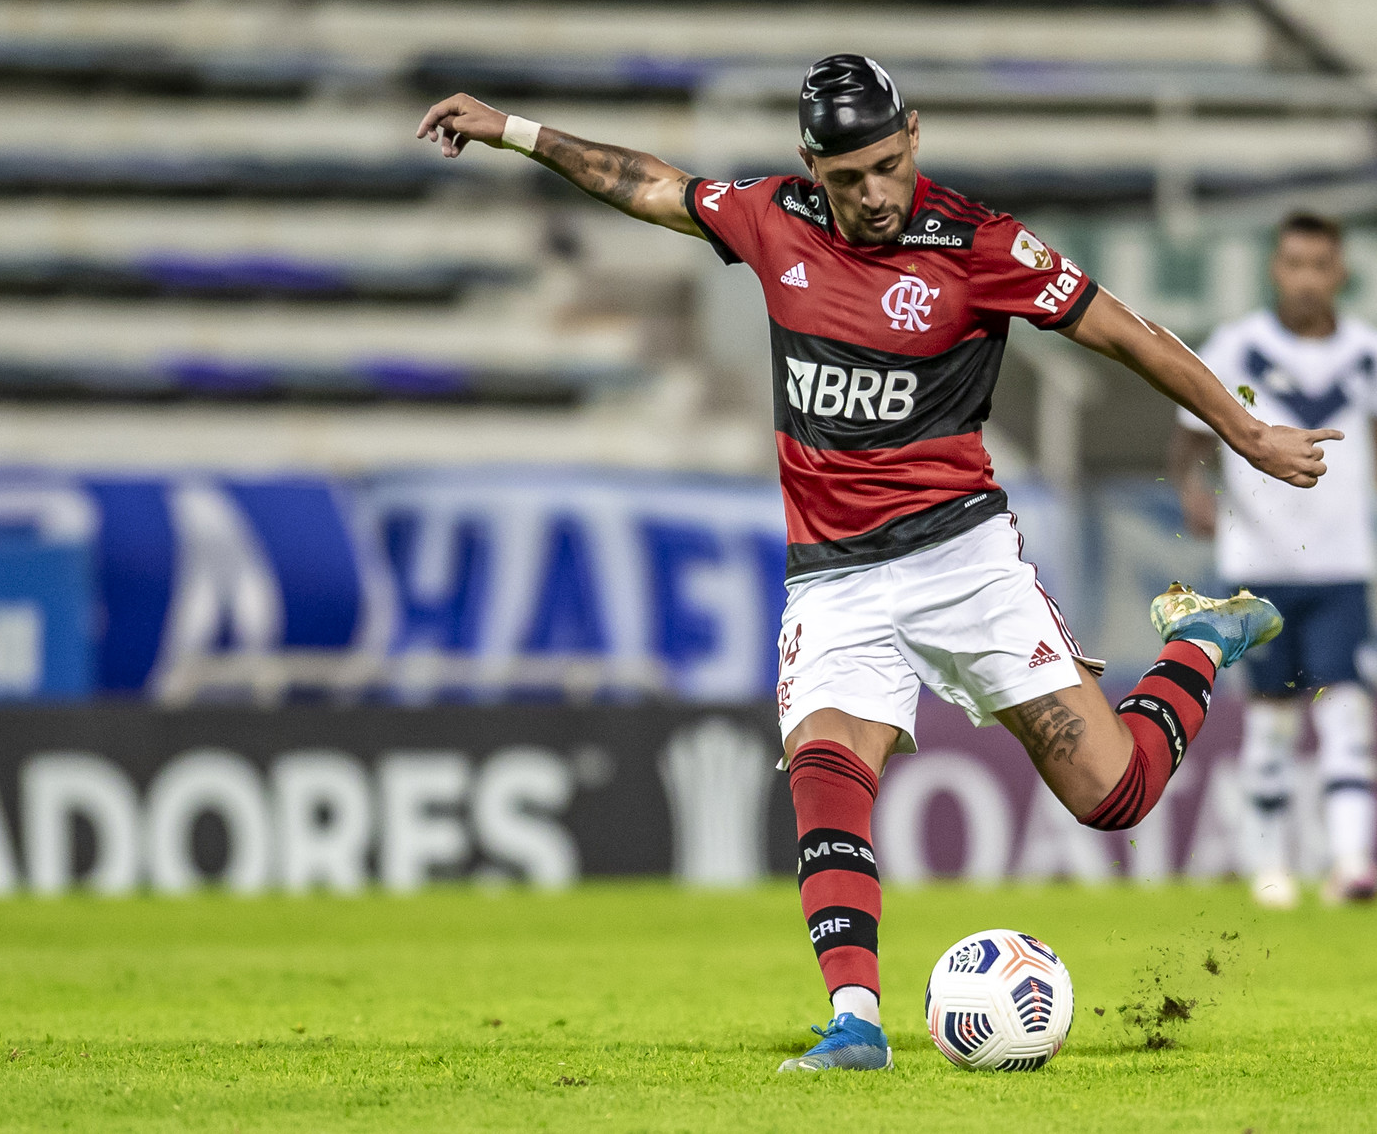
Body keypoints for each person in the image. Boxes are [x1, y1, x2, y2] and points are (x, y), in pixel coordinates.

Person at [416, 55, 1331, 1073]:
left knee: (1111, 798)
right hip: (836, 579)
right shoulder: (772, 219)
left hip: (963, 564)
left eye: (888, 166)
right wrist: (513, 131)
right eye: (848, 177)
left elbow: (1127, 334)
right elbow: (646, 183)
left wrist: (1242, 432)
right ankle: (855, 1021)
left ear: (914, 139)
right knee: (824, 769)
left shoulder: (980, 245)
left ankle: (1199, 639)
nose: (874, 194)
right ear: (813, 166)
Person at [1170, 211, 1377, 908]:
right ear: (1274, 268)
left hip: (1341, 564)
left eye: (1320, 264)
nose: (1307, 279)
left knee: (1346, 712)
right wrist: (1193, 487)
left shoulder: (1365, 352)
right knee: (1270, 716)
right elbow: (1189, 433)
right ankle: (1270, 868)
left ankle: (1351, 863)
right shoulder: (1235, 347)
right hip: (1257, 561)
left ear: (1339, 271)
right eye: (1294, 263)